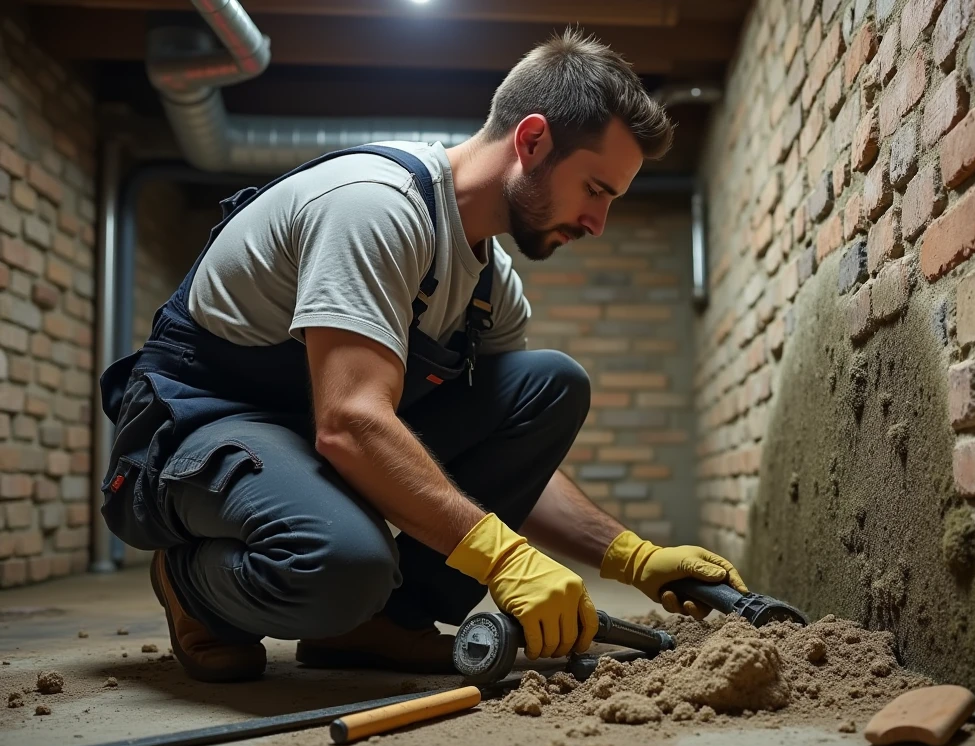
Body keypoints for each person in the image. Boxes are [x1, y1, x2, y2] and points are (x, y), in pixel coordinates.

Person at [97, 28, 748, 683]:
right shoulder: (374, 206)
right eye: (596, 190)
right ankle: (194, 583)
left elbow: (516, 464)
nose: (597, 223)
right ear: (532, 142)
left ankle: (380, 625)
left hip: (307, 445)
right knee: (342, 565)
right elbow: (350, 422)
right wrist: (503, 561)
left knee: (549, 385)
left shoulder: (492, 288)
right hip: (194, 434)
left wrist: (630, 557)